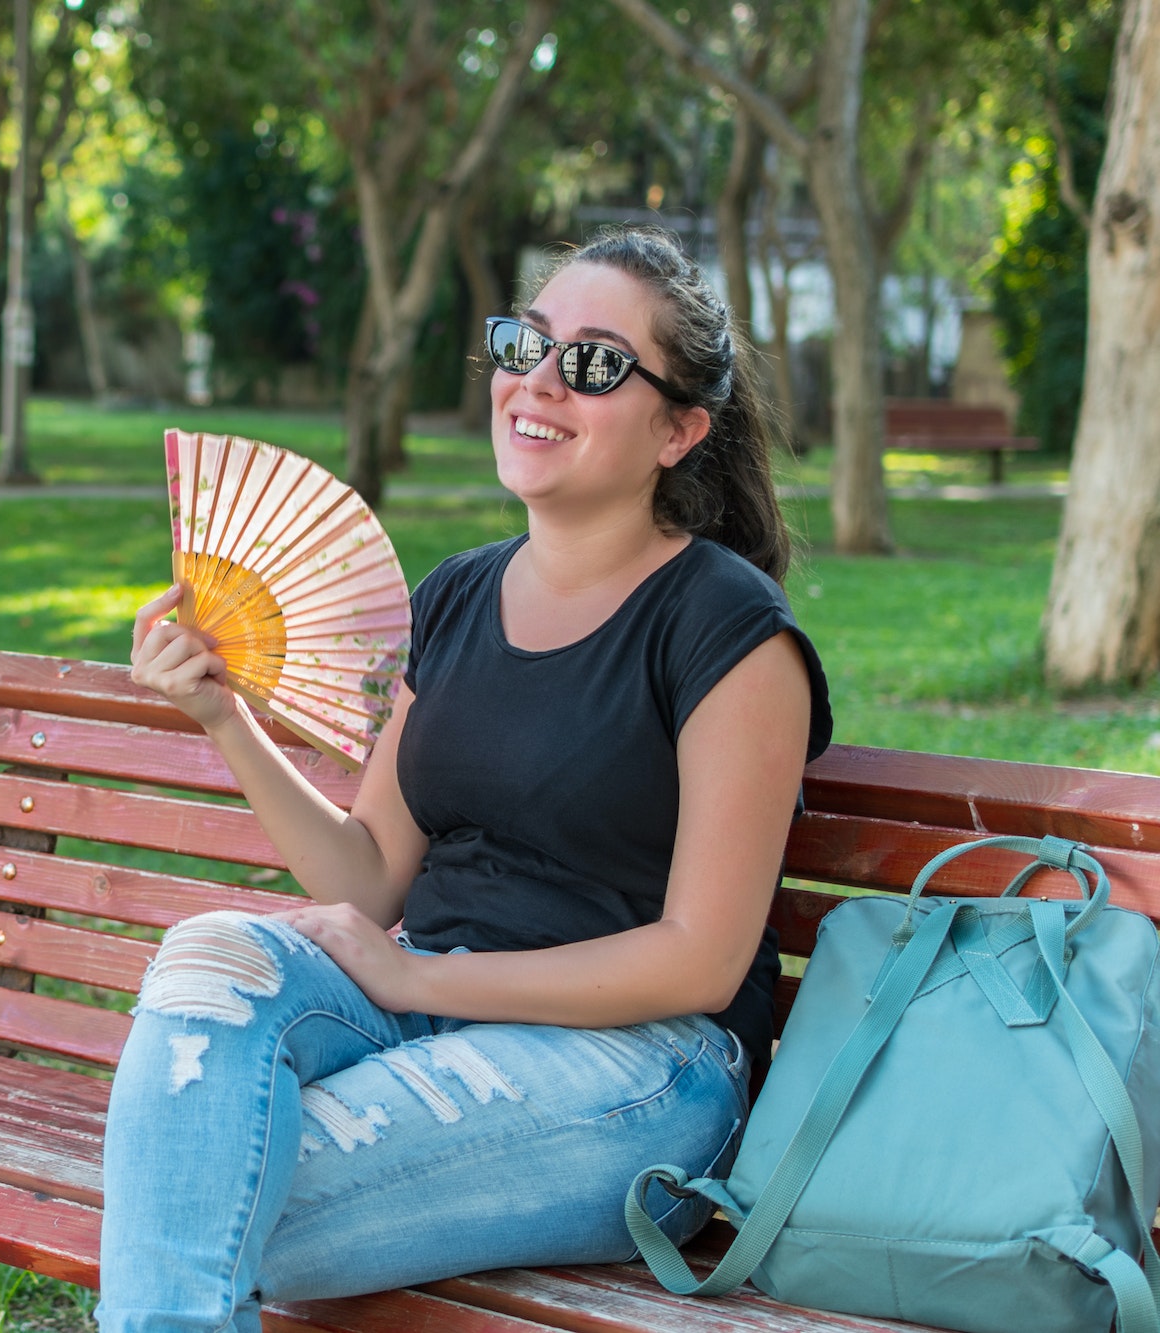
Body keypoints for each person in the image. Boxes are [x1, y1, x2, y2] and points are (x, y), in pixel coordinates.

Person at [102, 226, 833, 1333]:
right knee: (208, 959)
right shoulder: (451, 598)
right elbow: (368, 877)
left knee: (195, 1193)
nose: (535, 383)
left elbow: (699, 957)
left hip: (639, 1075)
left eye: (591, 364)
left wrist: (416, 985)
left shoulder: (725, 629)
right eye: (522, 343)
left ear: (678, 429)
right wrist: (222, 714)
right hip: (432, 1021)